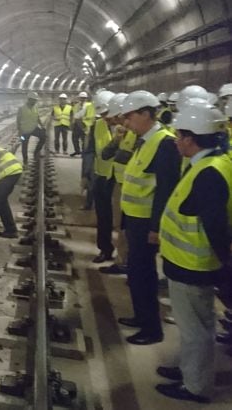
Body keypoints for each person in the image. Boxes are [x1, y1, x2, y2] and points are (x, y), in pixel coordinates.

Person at [154, 99, 232, 403]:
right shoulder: (216, 162)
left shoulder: (208, 173)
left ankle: (195, 386)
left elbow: (214, 226)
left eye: (179, 135)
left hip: (192, 264)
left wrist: (226, 265)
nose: (176, 141)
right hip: (188, 262)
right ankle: (189, 370)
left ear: (191, 138)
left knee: (196, 330)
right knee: (195, 325)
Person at [118, 90, 181, 345]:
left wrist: (156, 227)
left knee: (144, 275)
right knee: (136, 272)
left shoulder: (164, 143)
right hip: (135, 219)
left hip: (147, 224)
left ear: (146, 113)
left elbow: (166, 189)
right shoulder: (143, 139)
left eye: (130, 116)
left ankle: (152, 329)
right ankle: (141, 317)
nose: (126, 122)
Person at [99, 93, 136, 275]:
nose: (116, 121)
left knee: (126, 228)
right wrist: (117, 139)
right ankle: (122, 261)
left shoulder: (140, 137)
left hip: (133, 190)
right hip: (119, 183)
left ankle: (125, 263)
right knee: (120, 226)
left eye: (120, 117)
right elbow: (106, 154)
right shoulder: (124, 134)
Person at [87, 91, 116, 262]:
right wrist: (86, 174)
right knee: (103, 217)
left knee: (121, 223)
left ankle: (124, 258)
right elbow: (90, 151)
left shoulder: (129, 126)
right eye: (102, 114)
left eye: (107, 113)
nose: (105, 117)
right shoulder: (96, 125)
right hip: (101, 176)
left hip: (121, 179)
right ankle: (105, 249)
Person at [16, 91, 46, 163]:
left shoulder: (35, 107)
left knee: (43, 137)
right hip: (24, 131)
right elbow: (18, 120)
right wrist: (19, 131)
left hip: (34, 128)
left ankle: (36, 153)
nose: (35, 101)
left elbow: (37, 117)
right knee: (24, 145)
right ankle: (25, 161)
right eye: (34, 100)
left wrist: (42, 125)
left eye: (36, 100)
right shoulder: (22, 108)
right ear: (29, 99)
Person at [71, 91, 95, 156]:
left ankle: (84, 152)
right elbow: (75, 115)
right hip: (77, 124)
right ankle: (77, 151)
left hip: (84, 124)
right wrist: (73, 123)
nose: (82, 99)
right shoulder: (76, 106)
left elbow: (91, 115)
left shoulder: (89, 105)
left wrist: (83, 119)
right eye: (81, 98)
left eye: (84, 98)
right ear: (79, 98)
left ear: (86, 98)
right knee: (74, 138)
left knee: (84, 139)